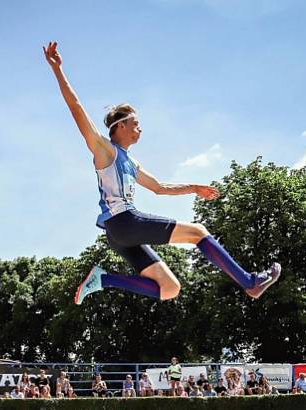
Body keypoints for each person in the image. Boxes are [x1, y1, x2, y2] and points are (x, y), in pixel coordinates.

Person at [43, 42, 281, 306]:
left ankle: (103, 280)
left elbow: (159, 187)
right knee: (199, 231)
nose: (140, 129)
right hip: (124, 222)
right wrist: (58, 70)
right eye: (136, 124)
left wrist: (194, 188)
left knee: (169, 288)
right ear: (120, 126)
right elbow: (76, 108)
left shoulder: (130, 161)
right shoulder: (104, 150)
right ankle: (250, 282)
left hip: (120, 235)